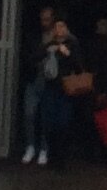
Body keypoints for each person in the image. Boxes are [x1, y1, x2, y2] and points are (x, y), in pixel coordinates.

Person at [23, 10, 76, 165]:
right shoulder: (35, 37)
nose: (44, 23)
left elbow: (75, 60)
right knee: (29, 114)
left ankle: (45, 149)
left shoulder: (66, 40)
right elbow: (32, 56)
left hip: (51, 83)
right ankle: (31, 146)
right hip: (36, 79)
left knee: (48, 119)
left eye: (47, 20)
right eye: (42, 19)